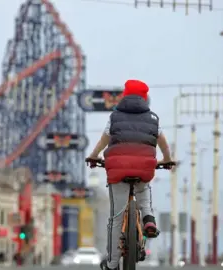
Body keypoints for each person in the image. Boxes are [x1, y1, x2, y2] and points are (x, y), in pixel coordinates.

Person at [86, 80, 172, 270]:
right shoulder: (153, 119)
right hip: (144, 167)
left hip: (117, 169)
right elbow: (163, 144)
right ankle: (148, 219)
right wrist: (167, 160)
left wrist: (93, 157)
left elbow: (103, 141)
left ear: (125, 95)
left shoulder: (115, 117)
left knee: (116, 217)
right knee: (143, 190)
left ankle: (112, 263)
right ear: (144, 98)